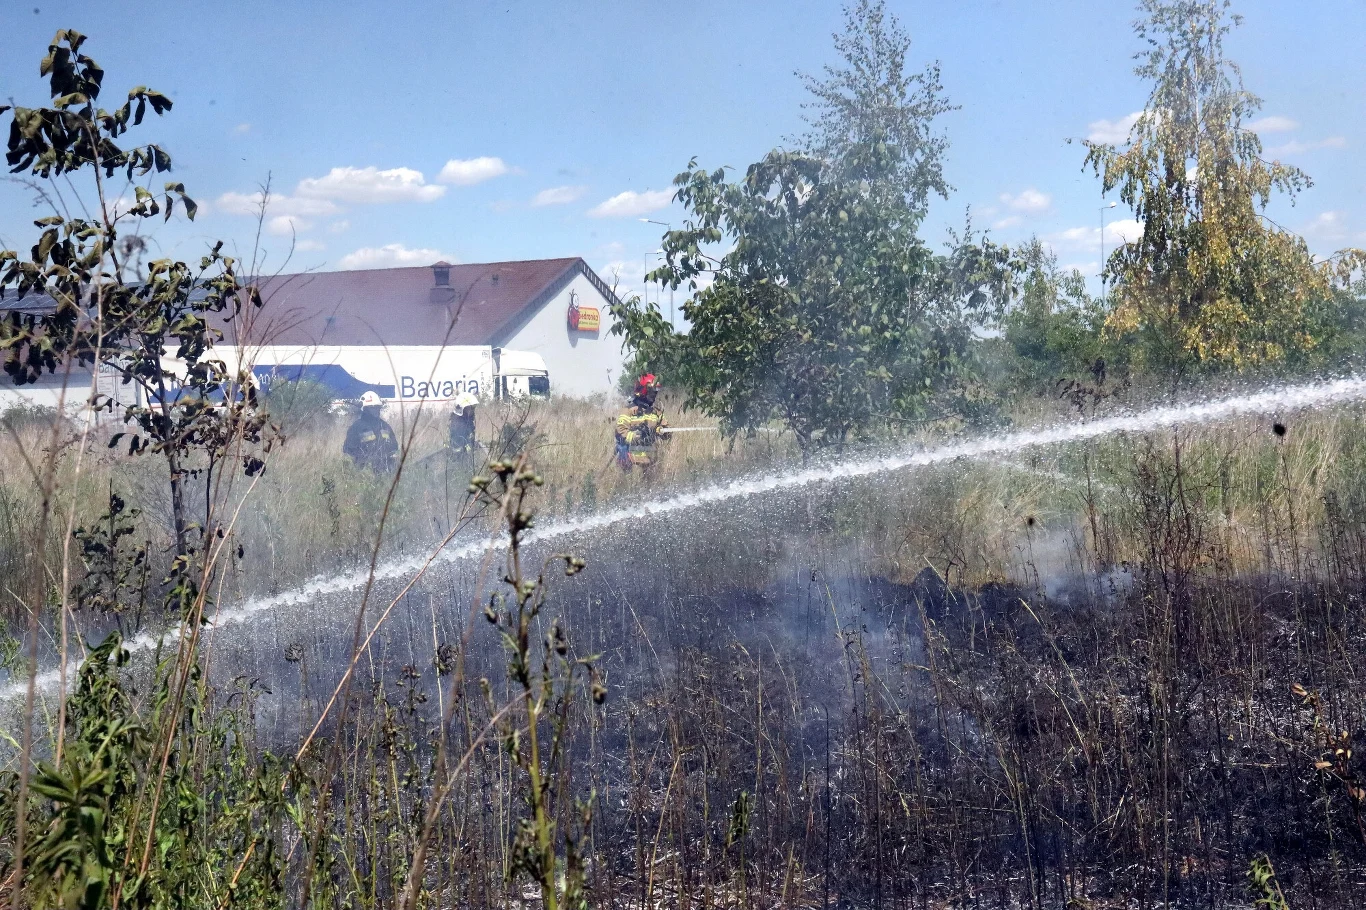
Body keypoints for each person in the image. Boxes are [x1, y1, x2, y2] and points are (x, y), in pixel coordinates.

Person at [615, 374, 666, 474]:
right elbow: (620, 433)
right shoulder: (628, 410)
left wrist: (660, 430)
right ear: (643, 390)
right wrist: (636, 435)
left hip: (651, 461)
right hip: (632, 462)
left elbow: (667, 432)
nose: (654, 394)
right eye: (652, 391)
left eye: (656, 391)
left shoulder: (656, 412)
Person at [343, 390, 398, 472]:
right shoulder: (357, 427)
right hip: (365, 473)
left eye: (377, 407)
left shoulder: (385, 426)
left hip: (387, 471)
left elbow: (394, 447)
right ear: (365, 409)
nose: (375, 410)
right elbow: (349, 452)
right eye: (372, 408)